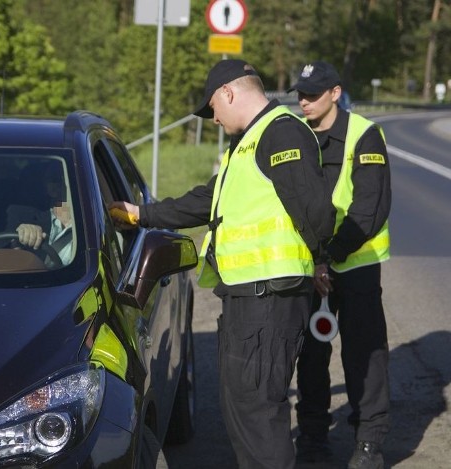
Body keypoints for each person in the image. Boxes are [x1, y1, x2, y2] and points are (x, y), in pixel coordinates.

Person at [110, 59, 334, 469]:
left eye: (212, 106)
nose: (212, 118)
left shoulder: (280, 132)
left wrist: (316, 261)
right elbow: (204, 201)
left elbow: (318, 214)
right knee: (244, 414)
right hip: (250, 300)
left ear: (229, 93)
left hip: (270, 299)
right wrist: (141, 215)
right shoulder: (247, 145)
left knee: (260, 418)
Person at [288, 61, 391, 469]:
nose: (304, 101)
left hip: (357, 264)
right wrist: (315, 260)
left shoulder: (364, 134)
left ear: (335, 93)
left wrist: (332, 255)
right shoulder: (294, 135)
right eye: (300, 94)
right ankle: (313, 439)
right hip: (310, 268)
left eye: (313, 94)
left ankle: (369, 442)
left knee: (365, 356)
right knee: (311, 356)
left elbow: (370, 209)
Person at [6, 161, 74, 267]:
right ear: (47, 187)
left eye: (66, 178)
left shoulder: (91, 226)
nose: (59, 184)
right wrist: (18, 239)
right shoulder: (21, 216)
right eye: (54, 179)